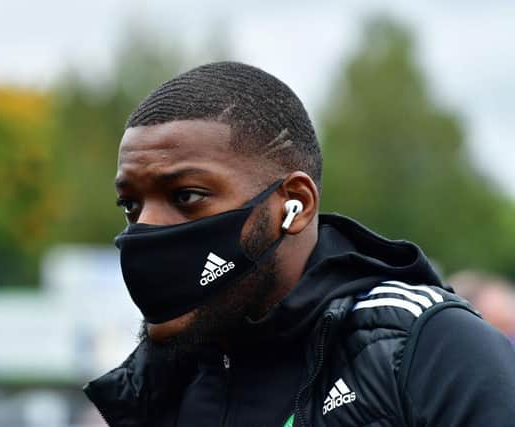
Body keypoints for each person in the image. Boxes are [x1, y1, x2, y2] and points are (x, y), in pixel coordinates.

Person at [83, 62, 515, 426]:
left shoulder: (426, 349)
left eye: (186, 196)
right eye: (131, 204)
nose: (146, 228)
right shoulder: (153, 387)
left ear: (296, 204)